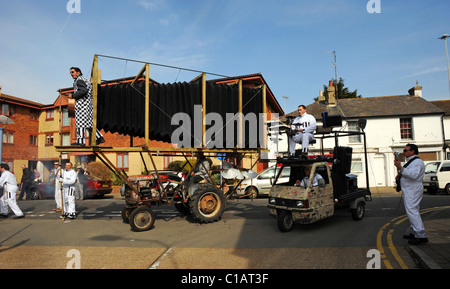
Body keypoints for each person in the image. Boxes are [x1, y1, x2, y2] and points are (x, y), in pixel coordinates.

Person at [394, 144, 428, 245]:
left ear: (412, 151)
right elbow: (408, 172)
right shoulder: (412, 162)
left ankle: (421, 235)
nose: (404, 152)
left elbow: (414, 175)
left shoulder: (417, 162)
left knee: (412, 211)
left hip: (412, 189)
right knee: (414, 210)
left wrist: (400, 167)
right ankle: (414, 231)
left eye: (406, 150)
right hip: (410, 189)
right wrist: (400, 172)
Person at [69, 67, 105, 146]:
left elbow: (83, 91)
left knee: (80, 123)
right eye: (70, 72)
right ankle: (99, 137)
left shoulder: (79, 80)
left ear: (78, 72)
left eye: (72, 72)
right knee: (88, 123)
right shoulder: (84, 79)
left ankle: (81, 141)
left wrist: (73, 95)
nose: (71, 74)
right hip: (88, 104)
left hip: (82, 105)